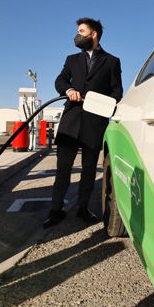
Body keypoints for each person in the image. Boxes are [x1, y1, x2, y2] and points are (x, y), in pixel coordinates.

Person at [44, 18, 123, 227]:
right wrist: (69, 89)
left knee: (89, 170)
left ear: (93, 34)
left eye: (81, 31)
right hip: (71, 121)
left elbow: (117, 91)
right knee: (63, 169)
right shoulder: (72, 60)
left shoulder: (112, 61)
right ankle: (55, 210)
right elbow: (60, 80)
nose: (77, 36)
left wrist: (102, 103)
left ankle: (83, 208)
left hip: (95, 123)